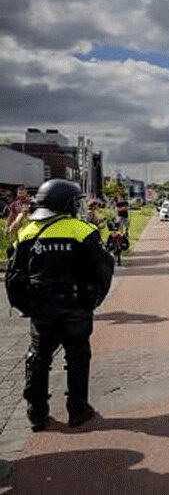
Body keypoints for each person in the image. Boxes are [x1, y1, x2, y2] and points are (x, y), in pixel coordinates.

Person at [6, 179, 114, 431]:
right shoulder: (82, 230)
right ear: (67, 204)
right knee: (78, 357)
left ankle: (36, 414)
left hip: (41, 310)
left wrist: (26, 307)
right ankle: (77, 410)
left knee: (38, 358)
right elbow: (103, 268)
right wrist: (93, 300)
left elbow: (14, 277)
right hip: (76, 308)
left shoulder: (28, 232)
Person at [5, 186, 31, 256]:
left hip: (29, 228)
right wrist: (7, 227)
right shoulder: (14, 204)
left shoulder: (32, 203)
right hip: (18, 228)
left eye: (23, 193)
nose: (21, 195)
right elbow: (10, 216)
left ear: (26, 193)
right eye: (19, 193)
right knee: (17, 245)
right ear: (17, 194)